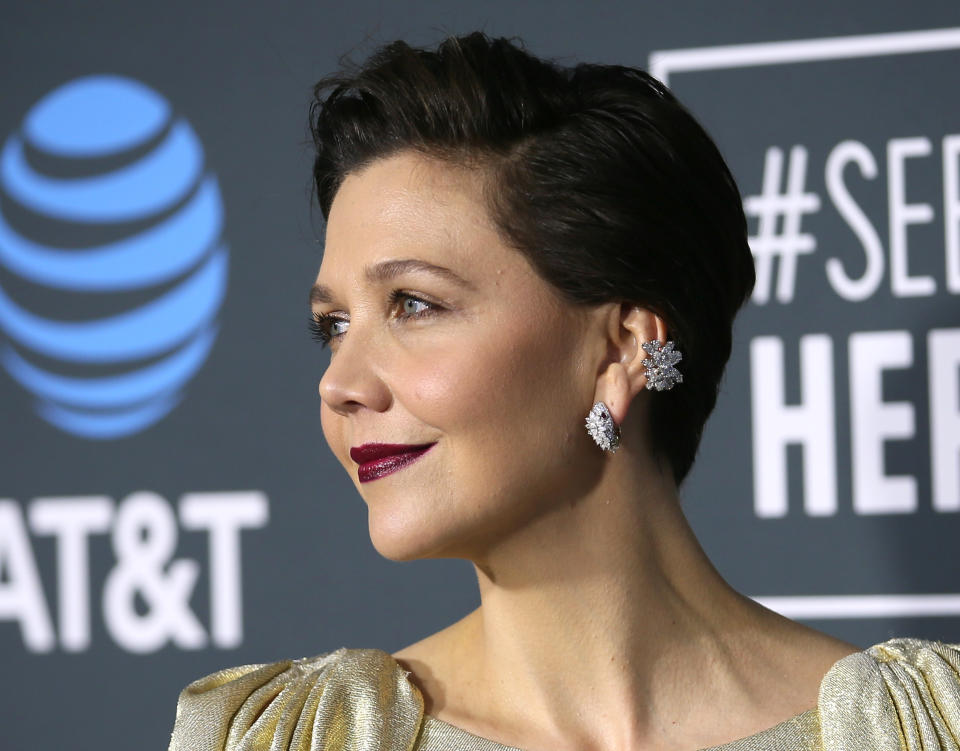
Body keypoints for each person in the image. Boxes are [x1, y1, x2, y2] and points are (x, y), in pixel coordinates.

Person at [166, 32, 959, 751]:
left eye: (413, 304)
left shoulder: (918, 731)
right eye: (333, 324)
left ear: (620, 351)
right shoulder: (298, 738)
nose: (339, 383)